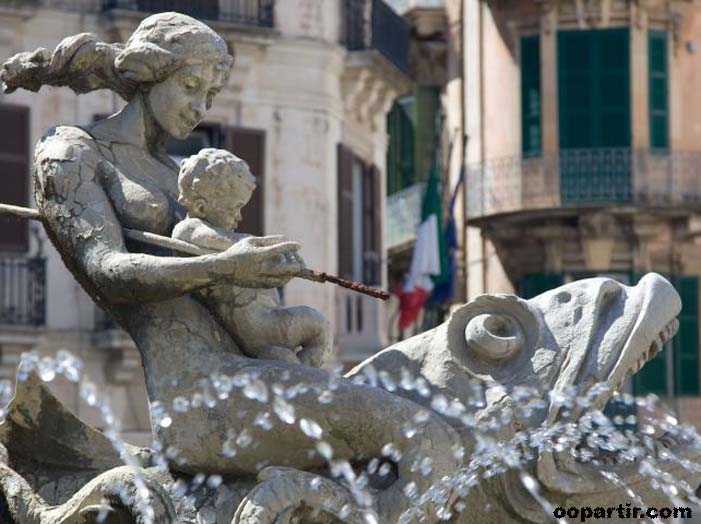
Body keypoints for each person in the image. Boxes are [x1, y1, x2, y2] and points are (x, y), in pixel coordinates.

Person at [1, 13, 460, 522]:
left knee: (436, 427)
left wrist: (257, 274)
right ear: (151, 74)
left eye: (211, 96)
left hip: (247, 373)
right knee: (426, 437)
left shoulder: (181, 174)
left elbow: (232, 296)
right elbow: (106, 267)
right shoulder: (71, 153)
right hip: (201, 397)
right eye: (191, 86)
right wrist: (224, 268)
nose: (199, 108)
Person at [172, 148, 331, 367]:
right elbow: (226, 241)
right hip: (260, 327)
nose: (239, 216)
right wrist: (268, 248)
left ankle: (301, 378)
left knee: (286, 362)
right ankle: (310, 381)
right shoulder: (188, 230)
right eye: (235, 208)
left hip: (266, 323)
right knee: (319, 327)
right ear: (201, 206)